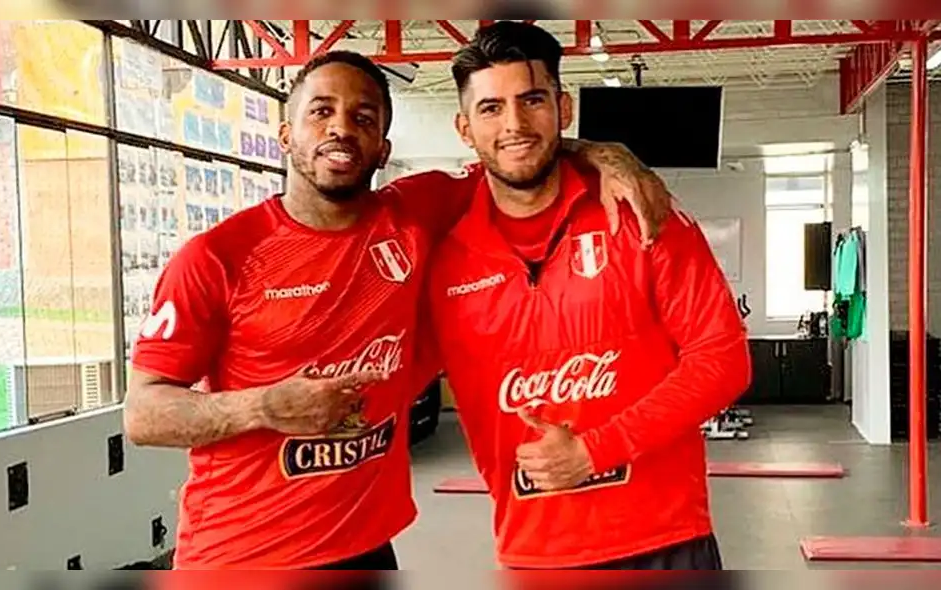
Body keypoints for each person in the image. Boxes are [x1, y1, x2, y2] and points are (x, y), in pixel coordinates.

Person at [123, 48, 674, 570]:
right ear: (287, 134)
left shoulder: (416, 213)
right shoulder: (218, 257)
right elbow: (143, 415)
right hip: (242, 557)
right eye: (321, 112)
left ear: (383, 148)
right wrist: (261, 407)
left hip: (365, 546)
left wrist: (609, 154)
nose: (341, 127)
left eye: (363, 117)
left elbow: (515, 152)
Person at [425, 21, 752, 570]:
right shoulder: (440, 245)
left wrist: (594, 451)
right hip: (535, 553)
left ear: (563, 108)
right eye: (491, 108)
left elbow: (724, 361)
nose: (514, 124)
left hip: (664, 544)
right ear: (464, 127)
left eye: (532, 100)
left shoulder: (643, 216)